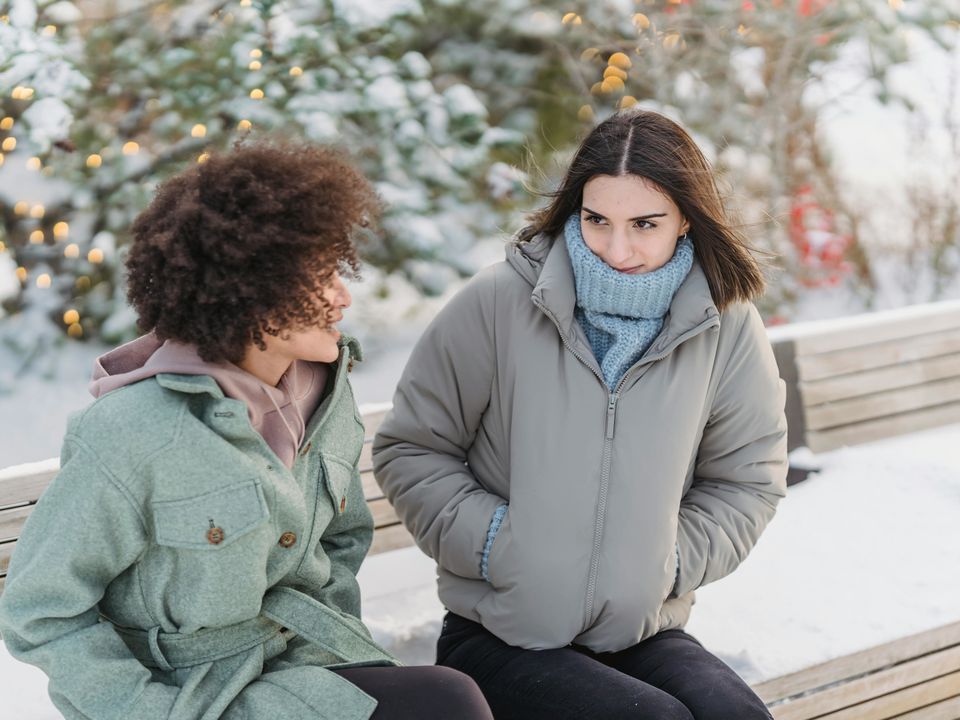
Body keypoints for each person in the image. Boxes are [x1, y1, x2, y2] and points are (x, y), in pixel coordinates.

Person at [0, 142, 493, 720]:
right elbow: (40, 611)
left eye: (337, 268)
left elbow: (341, 540)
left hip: (304, 670)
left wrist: (337, 655)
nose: (343, 295)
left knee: (446, 700)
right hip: (191, 699)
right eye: (317, 277)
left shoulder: (326, 393)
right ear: (246, 290)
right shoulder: (134, 432)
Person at [372, 109, 788, 720]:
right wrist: (497, 546)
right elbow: (410, 449)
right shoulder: (499, 303)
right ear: (575, 211)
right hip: (503, 634)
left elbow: (747, 477)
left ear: (686, 221)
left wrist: (667, 561)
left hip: (640, 630)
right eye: (597, 221)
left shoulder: (723, 324)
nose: (617, 249)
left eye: (644, 224)